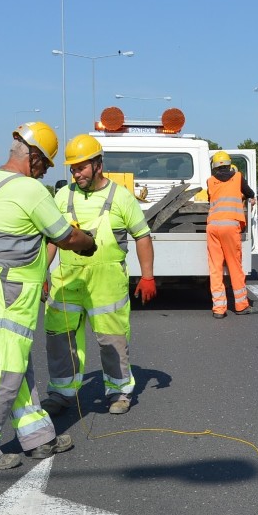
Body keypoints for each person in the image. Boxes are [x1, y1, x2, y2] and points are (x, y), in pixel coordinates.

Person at [0, 121, 98, 471]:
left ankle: (37, 436)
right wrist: (89, 242)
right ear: (34, 158)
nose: (44, 173)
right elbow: (64, 236)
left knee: (16, 364)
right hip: (7, 291)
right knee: (5, 368)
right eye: (46, 166)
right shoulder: (29, 191)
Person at [42, 134, 156, 417]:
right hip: (68, 279)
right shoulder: (61, 196)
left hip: (107, 282)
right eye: (72, 168)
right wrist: (41, 272)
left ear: (97, 164)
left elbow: (142, 236)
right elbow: (51, 241)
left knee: (111, 339)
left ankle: (118, 392)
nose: (75, 173)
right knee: (60, 337)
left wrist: (148, 276)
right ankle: (61, 392)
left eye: (80, 167)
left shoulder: (121, 198)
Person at [206, 151, 257, 318]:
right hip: (230, 226)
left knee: (215, 268)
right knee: (235, 266)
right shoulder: (238, 177)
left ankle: (219, 309)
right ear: (229, 164)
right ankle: (241, 305)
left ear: (214, 167)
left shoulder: (210, 181)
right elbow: (250, 193)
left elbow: (211, 198)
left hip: (213, 226)